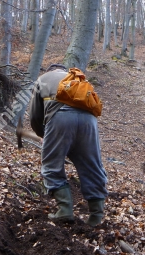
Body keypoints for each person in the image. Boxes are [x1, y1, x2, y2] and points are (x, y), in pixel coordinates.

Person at [29, 64, 108, 227]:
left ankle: (64, 209)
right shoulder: (78, 79)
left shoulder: (43, 79)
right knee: (92, 166)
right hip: (89, 122)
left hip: (61, 118)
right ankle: (96, 216)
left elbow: (35, 116)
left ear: (51, 70)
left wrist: (44, 135)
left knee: (52, 165)